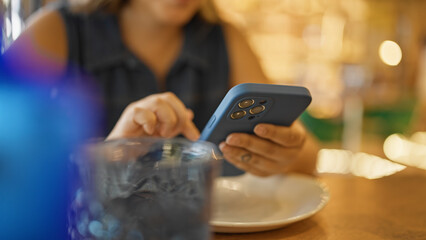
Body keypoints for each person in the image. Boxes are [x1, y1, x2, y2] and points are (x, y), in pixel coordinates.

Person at [4, 0, 319, 176]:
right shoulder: (56, 30)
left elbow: (309, 155)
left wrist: (286, 154)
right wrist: (108, 155)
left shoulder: (226, 38)